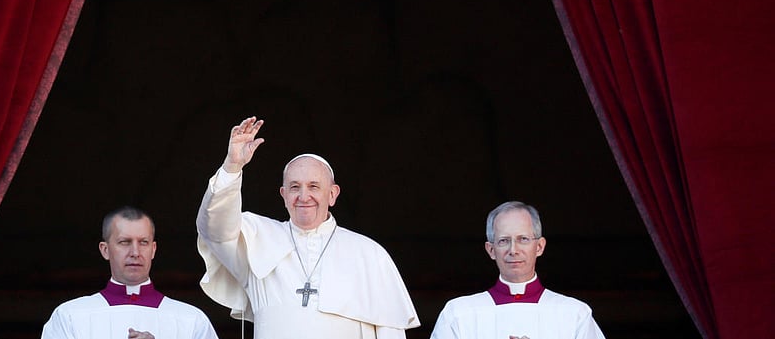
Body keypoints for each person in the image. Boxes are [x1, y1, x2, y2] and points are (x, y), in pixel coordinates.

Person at [196, 116, 420, 338]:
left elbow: (390, 330)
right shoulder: (255, 238)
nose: (304, 196)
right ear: (284, 195)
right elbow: (215, 227)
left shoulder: (369, 254)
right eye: (295, 187)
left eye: (313, 186)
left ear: (332, 194)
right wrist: (232, 166)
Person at [430, 201, 606, 339]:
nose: (513, 250)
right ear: (491, 250)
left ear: (539, 246)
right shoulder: (459, 313)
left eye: (523, 239)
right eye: (503, 241)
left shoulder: (574, 314)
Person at [42, 206, 218, 339]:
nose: (135, 252)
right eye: (125, 242)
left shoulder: (191, 320)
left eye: (143, 242)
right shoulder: (70, 317)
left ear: (153, 249)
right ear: (105, 250)